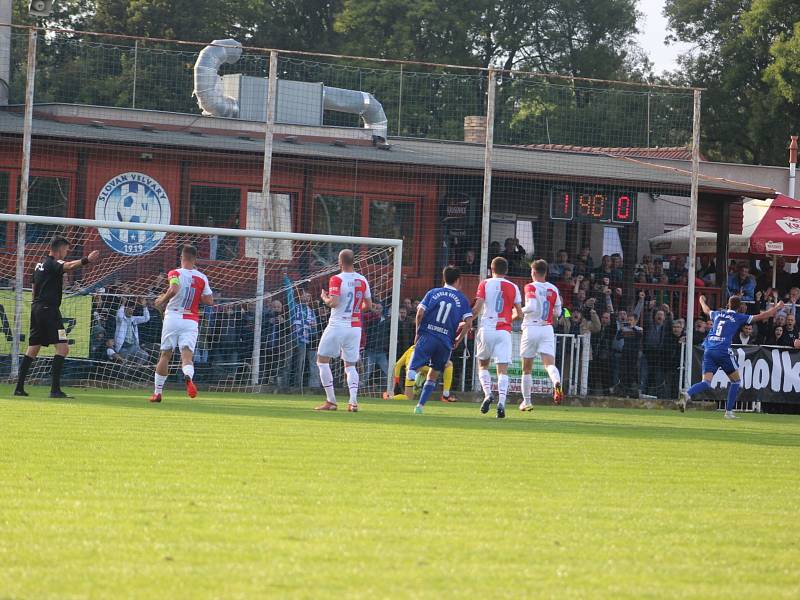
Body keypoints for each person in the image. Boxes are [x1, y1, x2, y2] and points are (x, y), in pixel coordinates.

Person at [14, 236, 99, 398]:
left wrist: (36, 305)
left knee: (33, 348)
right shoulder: (54, 263)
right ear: (60, 249)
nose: (66, 253)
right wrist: (86, 260)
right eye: (66, 250)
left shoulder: (39, 265)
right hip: (49, 310)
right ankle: (55, 390)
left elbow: (34, 287)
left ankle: (18, 388)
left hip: (37, 308)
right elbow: (69, 266)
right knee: (63, 348)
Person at [681, 295, 783, 418]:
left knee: (706, 382)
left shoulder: (718, 314)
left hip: (709, 350)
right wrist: (777, 306)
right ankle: (728, 412)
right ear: (739, 307)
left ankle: (687, 394)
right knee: (736, 381)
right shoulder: (738, 317)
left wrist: (702, 300)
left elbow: (706, 310)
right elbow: (763, 316)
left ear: (728, 305)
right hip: (723, 351)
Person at [150, 245, 214, 403]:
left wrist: (161, 301)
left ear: (181, 258)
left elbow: (173, 289)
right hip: (191, 320)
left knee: (165, 355)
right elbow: (209, 301)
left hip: (173, 316)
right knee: (187, 356)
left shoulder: (175, 273)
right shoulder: (202, 277)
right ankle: (188, 376)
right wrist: (196, 294)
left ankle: (157, 393)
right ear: (195, 259)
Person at [408, 266, 473, 414]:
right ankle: (420, 406)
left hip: (428, 336)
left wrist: (418, 332)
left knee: (413, 365)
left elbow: (419, 313)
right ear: (458, 280)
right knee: (434, 374)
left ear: (444, 278)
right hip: (445, 341)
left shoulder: (433, 292)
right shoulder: (462, 299)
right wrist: (458, 339)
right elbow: (469, 323)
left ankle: (414, 374)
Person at [315, 249, 372, 412]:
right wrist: (353, 311)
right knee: (350, 365)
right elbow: (367, 305)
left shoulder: (336, 279)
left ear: (340, 262)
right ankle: (353, 402)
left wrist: (324, 298)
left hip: (337, 324)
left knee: (322, 360)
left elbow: (334, 302)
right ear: (353, 261)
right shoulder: (363, 280)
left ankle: (331, 401)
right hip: (355, 327)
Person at [472, 257, 523, 418]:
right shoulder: (514, 287)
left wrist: (465, 320)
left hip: (486, 329)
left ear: (491, 269)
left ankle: (487, 394)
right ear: (506, 270)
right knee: (502, 371)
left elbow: (477, 308)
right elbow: (520, 314)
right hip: (503, 332)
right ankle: (501, 403)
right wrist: (508, 319)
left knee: (483, 366)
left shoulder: (485, 284)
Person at [519, 259, 564, 411]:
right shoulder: (553, 289)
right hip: (547, 329)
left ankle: (527, 402)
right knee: (549, 364)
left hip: (531, 327)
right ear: (546, 273)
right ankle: (556, 382)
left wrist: (518, 311)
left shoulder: (530, 286)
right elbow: (558, 312)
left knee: (526, 369)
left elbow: (530, 306)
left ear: (533, 272)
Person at [385, 343, 458, 402]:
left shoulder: (411, 348)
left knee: (408, 397)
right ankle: (445, 395)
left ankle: (389, 397)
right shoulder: (430, 346)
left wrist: (397, 382)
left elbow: (398, 365)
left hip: (410, 372)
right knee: (448, 364)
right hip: (423, 369)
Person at [113, 297, 150, 363]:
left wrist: (144, 306)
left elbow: (146, 318)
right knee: (125, 361)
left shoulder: (134, 319)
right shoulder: (121, 319)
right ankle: (126, 373)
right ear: (125, 309)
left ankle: (135, 369)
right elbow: (119, 315)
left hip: (133, 346)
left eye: (133, 308)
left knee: (145, 355)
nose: (132, 310)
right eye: (130, 308)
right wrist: (123, 304)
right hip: (123, 347)